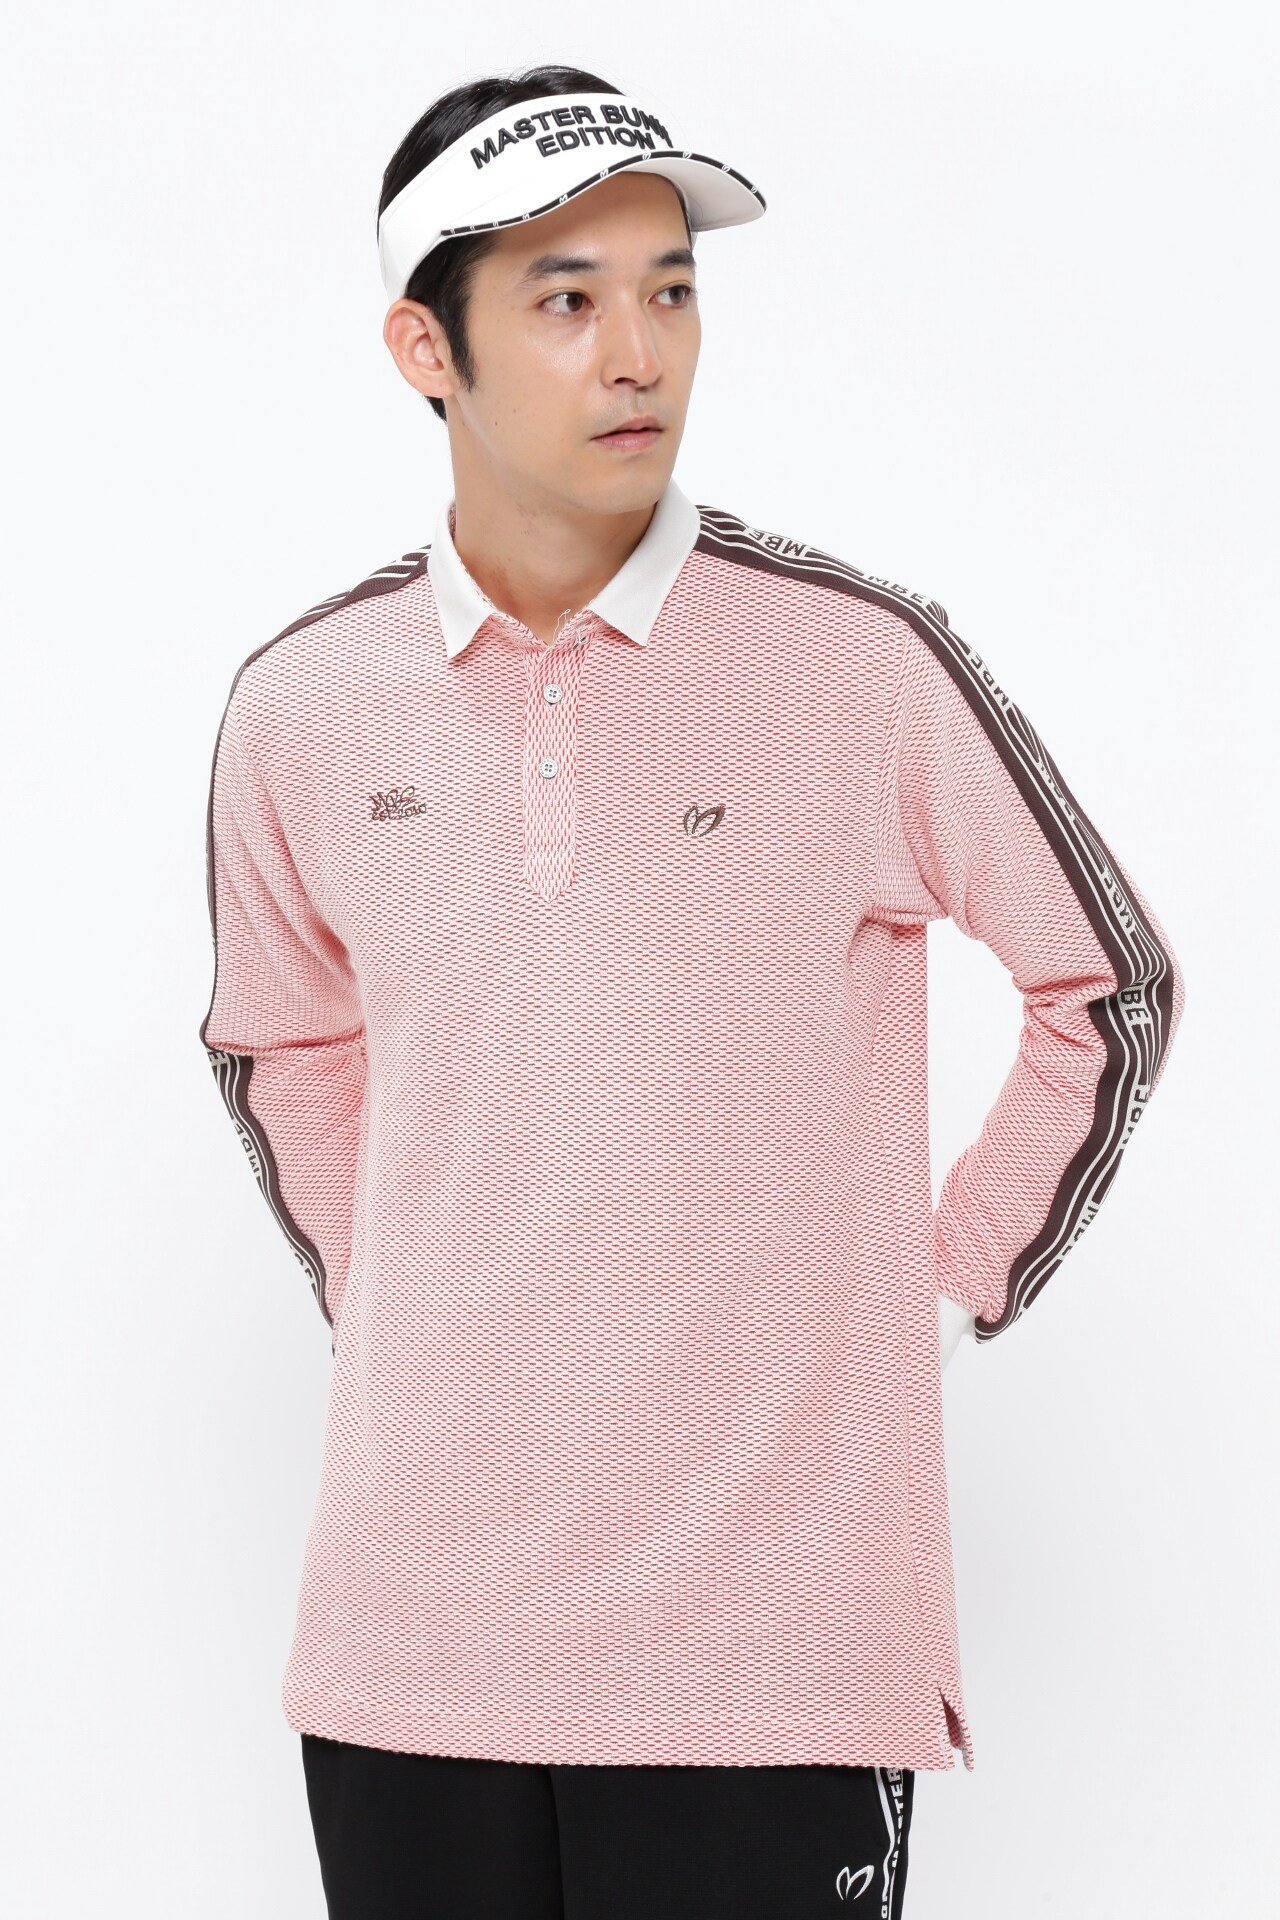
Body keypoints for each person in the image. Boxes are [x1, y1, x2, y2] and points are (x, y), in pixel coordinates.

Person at [197, 63, 1186, 1919]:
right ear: (425, 347)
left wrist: (942, 1281)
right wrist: (410, 1303)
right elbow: (279, 1041)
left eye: (671, 289)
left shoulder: (854, 664)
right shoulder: (301, 705)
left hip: (771, 1651)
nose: (639, 352)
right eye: (566, 300)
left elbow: (1109, 985)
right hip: (412, 1645)